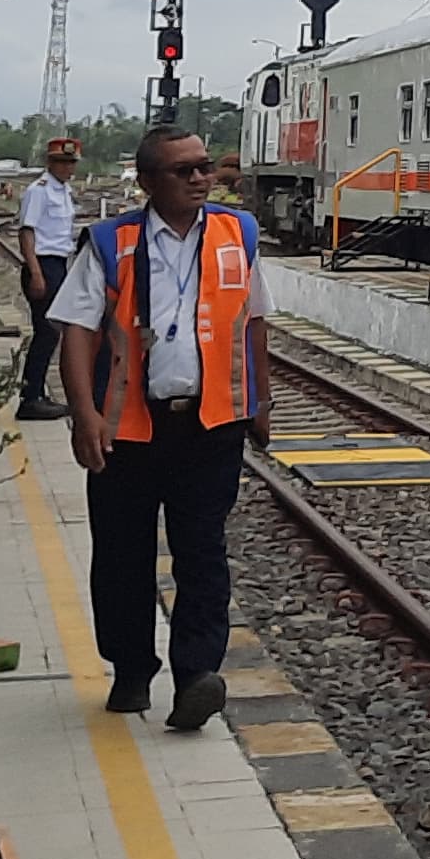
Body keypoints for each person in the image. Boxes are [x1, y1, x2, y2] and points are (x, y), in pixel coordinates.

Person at [49, 127, 270, 730]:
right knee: (123, 553)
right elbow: (77, 329)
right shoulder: (110, 242)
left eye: (204, 167)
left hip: (210, 425)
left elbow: (252, 323)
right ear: (148, 182)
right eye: (184, 171)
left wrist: (261, 402)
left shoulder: (237, 235)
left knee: (203, 553)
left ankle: (197, 674)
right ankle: (130, 670)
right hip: (127, 430)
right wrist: (83, 413)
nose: (201, 178)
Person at [12, 138, 83, 419]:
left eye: (71, 162)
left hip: (57, 264)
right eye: (62, 162)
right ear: (49, 162)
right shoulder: (39, 191)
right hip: (42, 265)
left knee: (51, 332)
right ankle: (30, 398)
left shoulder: (63, 191)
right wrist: (36, 273)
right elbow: (26, 232)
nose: (68, 168)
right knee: (47, 331)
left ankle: (37, 393)